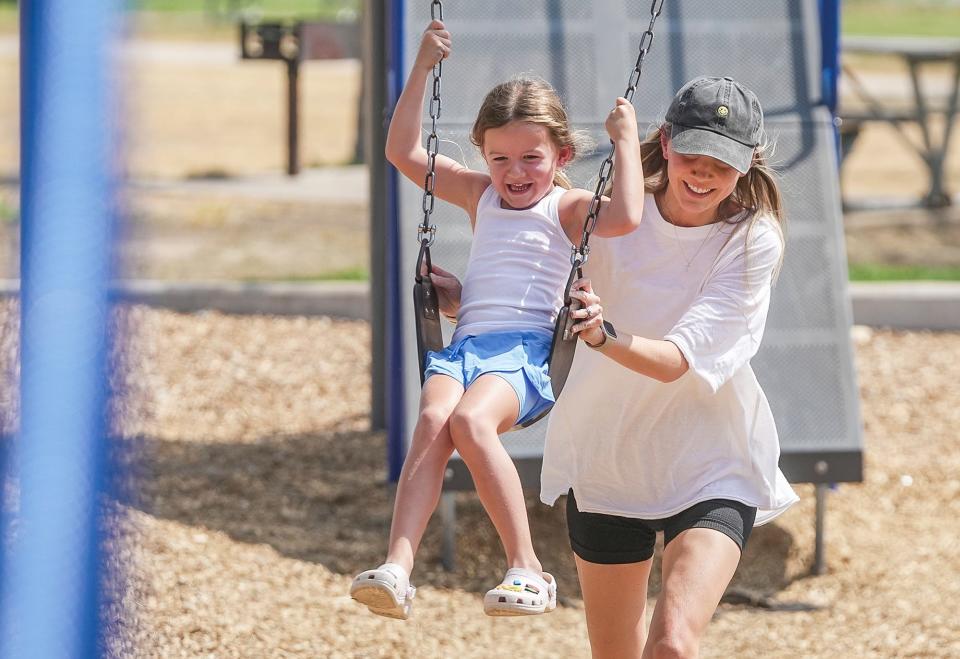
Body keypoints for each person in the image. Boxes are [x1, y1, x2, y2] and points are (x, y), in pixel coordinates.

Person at [349, 19, 644, 620]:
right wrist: (422, 68)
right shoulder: (477, 193)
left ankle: (528, 568)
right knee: (434, 419)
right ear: (482, 152)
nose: (515, 172)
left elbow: (630, 217)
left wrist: (626, 142)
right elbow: (400, 151)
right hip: (465, 346)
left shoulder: (568, 207)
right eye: (500, 156)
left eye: (532, 158)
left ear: (560, 154)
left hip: (527, 355)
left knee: (470, 423)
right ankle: (397, 569)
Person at [540, 76, 800, 657]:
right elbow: (530, 299)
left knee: (675, 645)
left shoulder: (753, 238)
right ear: (665, 140)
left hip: (711, 461)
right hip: (607, 460)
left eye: (723, 163)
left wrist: (604, 337)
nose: (703, 174)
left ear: (748, 165)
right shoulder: (606, 217)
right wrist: (462, 300)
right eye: (692, 154)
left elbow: (677, 360)